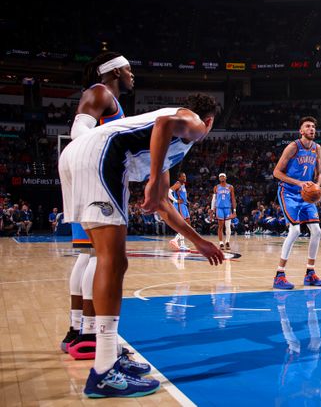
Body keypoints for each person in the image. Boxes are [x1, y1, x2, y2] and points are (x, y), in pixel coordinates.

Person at [58, 94, 224, 398]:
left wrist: (199, 242)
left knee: (104, 257)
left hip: (76, 156)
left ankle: (107, 356)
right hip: (101, 154)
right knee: (114, 260)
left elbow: (162, 205)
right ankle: (104, 369)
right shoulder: (194, 123)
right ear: (209, 121)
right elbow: (163, 123)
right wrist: (150, 181)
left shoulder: (166, 146)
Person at [60, 52, 133, 361]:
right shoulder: (100, 91)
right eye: (128, 70)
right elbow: (79, 132)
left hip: (87, 177)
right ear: (114, 71)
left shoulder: (109, 99)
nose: (132, 75)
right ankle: (91, 334)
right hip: (94, 178)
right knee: (102, 257)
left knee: (87, 254)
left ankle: (77, 330)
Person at [272, 116, 321, 290]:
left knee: (316, 230)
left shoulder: (317, 148)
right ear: (301, 131)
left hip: (306, 194)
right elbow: (276, 173)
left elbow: (319, 173)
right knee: (295, 230)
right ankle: (279, 275)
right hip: (288, 192)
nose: (312, 129)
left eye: (313, 127)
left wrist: (316, 186)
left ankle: (310, 273)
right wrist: (299, 183)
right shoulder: (293, 147)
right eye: (308, 126)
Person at [212, 173, 236, 250]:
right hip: (219, 208)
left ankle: (227, 241)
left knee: (228, 227)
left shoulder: (230, 187)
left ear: (226, 178)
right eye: (220, 177)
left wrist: (234, 210)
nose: (222, 178)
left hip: (227, 208)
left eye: (223, 176)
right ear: (219, 179)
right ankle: (221, 243)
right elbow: (214, 199)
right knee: (220, 226)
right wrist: (212, 209)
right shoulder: (216, 187)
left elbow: (233, 199)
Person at [168, 172, 190, 251]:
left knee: (187, 223)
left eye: (185, 176)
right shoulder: (178, 184)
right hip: (179, 206)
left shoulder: (183, 185)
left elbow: (181, 195)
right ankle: (176, 240)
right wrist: (176, 201)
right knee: (184, 224)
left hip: (183, 205)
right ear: (179, 178)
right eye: (183, 176)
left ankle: (181, 243)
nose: (185, 177)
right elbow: (168, 191)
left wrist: (186, 200)